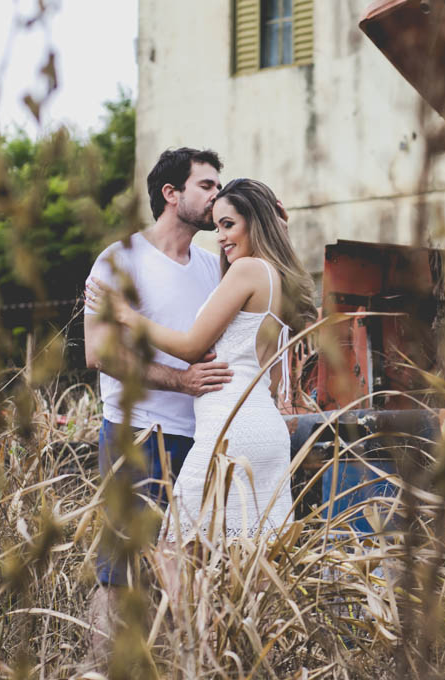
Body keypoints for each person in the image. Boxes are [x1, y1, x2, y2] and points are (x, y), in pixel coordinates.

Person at [87, 178, 317, 547]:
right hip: (265, 428)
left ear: (255, 222)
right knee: (250, 559)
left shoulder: (246, 271)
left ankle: (187, 610)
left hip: (229, 429)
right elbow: (274, 378)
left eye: (229, 225)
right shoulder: (278, 280)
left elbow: (193, 346)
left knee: (173, 552)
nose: (221, 237)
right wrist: (281, 233)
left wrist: (125, 316)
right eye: (218, 227)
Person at [82, 148, 233, 651]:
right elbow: (99, 354)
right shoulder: (119, 259)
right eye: (207, 186)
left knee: (184, 572)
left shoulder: (215, 267)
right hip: (138, 433)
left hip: (202, 440)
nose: (217, 196)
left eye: (218, 186)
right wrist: (180, 381)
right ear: (171, 194)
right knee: (121, 571)